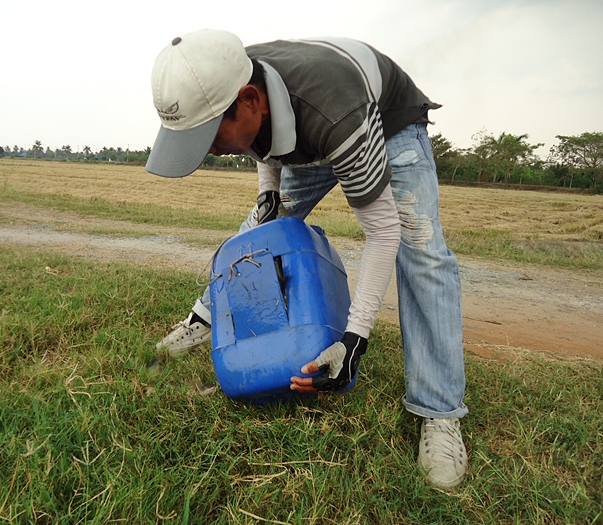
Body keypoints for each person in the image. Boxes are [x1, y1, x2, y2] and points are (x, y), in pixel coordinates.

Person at [145, 29, 468, 489]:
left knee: (421, 248)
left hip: (383, 121)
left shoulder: (336, 113)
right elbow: (266, 137)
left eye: (209, 134)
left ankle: (438, 412)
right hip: (311, 126)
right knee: (260, 230)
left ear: (249, 100)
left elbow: (381, 231)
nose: (210, 150)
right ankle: (206, 318)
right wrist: (268, 193)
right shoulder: (231, 73)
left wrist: (355, 339)